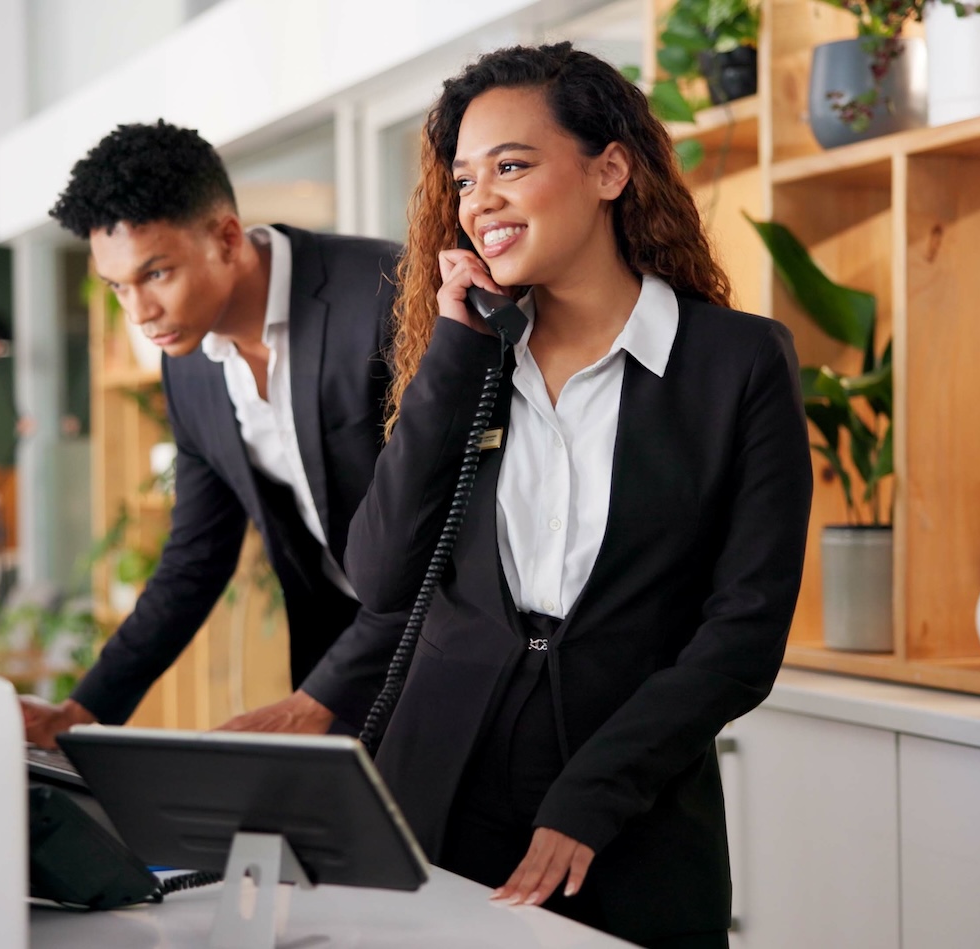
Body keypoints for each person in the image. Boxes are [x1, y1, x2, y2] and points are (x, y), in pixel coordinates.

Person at [344, 44, 812, 948]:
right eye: (466, 178)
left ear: (610, 168)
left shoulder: (737, 363)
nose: (480, 199)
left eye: (512, 167)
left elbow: (744, 631)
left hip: (627, 805)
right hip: (436, 795)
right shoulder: (469, 362)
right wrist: (454, 350)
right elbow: (380, 574)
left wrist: (595, 793)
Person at [22, 120, 405, 744]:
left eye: (156, 274)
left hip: (458, 641)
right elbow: (196, 557)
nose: (140, 314)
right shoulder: (190, 368)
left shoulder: (386, 295)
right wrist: (82, 710)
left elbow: (450, 526)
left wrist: (318, 699)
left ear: (227, 238)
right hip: (340, 653)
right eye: (118, 287)